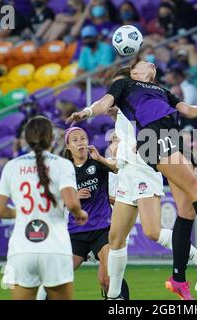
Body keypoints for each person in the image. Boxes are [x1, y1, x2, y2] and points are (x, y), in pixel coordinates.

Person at [67, 61, 197, 300]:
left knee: (170, 218)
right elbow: (106, 105)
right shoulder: (125, 92)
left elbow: (184, 110)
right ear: (133, 75)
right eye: (142, 63)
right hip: (131, 170)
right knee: (116, 239)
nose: (150, 63)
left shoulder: (159, 92)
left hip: (147, 162)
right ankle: (120, 295)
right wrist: (93, 117)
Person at [0, 116, 88, 300]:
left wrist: (18, 212)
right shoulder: (62, 164)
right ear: (52, 139)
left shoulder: (12, 166)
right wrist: (80, 213)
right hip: (55, 248)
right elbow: (72, 203)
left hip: (22, 248)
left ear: (26, 140)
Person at [36, 126, 130, 300]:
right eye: (75, 139)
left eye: (83, 138)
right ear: (68, 147)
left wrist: (101, 159)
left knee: (109, 276)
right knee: (58, 277)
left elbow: (119, 168)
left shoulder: (97, 163)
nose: (80, 142)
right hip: (76, 232)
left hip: (101, 229)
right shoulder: (63, 171)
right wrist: (72, 196)